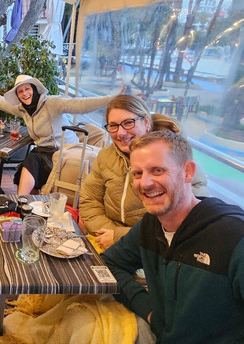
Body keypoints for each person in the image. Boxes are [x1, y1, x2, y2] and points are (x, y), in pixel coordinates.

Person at [101, 131, 244, 344]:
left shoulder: (233, 237)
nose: (145, 183)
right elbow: (108, 264)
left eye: (157, 170)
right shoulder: (150, 226)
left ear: (188, 172)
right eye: (137, 173)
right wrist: (147, 309)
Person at [80, 95, 208, 250]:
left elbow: (183, 224)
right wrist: (108, 233)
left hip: (150, 249)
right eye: (113, 125)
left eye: (128, 123)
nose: (121, 133)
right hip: (105, 239)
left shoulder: (176, 157)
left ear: (146, 122)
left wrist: (119, 237)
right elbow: (90, 200)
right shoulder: (106, 156)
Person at [0, 75, 120, 194]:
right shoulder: (23, 109)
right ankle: (28, 204)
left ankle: (21, 202)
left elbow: (81, 104)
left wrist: (111, 99)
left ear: (34, 89)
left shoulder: (51, 103)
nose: (25, 93)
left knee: (31, 161)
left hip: (64, 152)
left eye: (27, 89)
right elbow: (2, 103)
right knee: (27, 165)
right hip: (44, 152)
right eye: (20, 91)